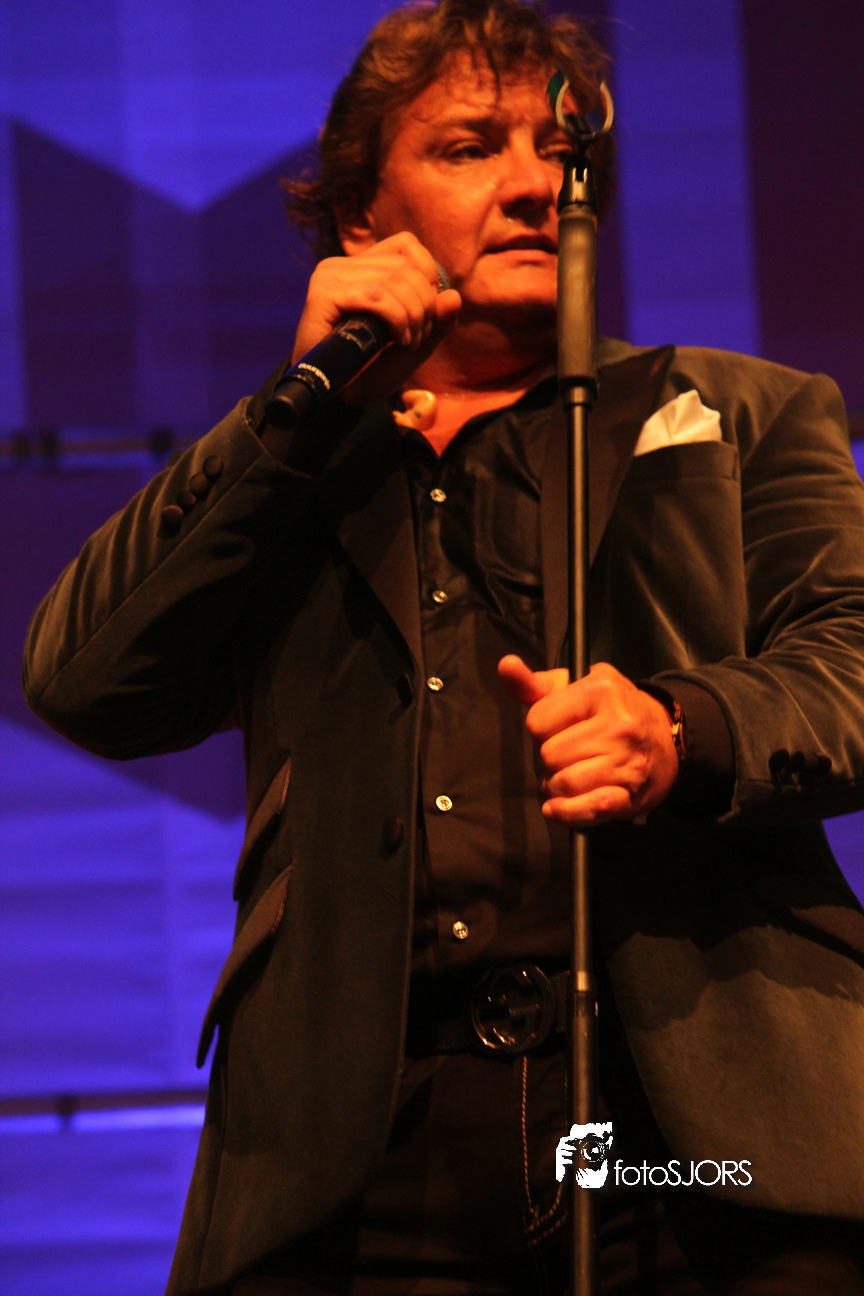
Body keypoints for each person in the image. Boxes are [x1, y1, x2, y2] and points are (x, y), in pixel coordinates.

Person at [21, 0, 864, 1292]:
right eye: (472, 147)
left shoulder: (744, 410)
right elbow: (84, 680)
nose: (534, 184)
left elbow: (852, 661)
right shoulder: (292, 467)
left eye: (560, 153)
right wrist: (291, 417)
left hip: (686, 1139)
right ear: (363, 219)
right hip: (363, 1153)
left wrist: (680, 729)